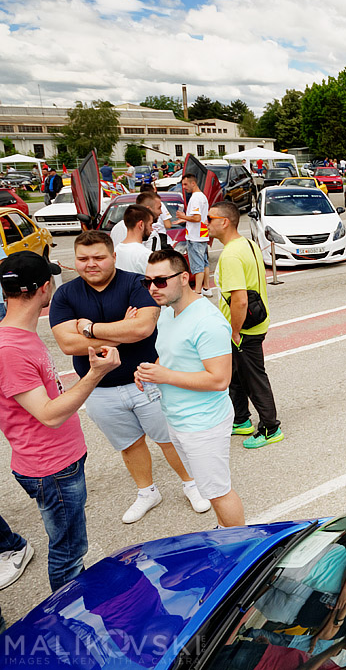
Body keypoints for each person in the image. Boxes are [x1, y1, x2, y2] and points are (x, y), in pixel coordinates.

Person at [49, 230, 207, 523]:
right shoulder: (66, 295)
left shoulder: (136, 283)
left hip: (147, 379)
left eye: (98, 257)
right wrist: (123, 329)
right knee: (129, 444)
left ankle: (192, 484)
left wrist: (88, 329)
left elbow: (143, 328)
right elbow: (68, 344)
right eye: (83, 258)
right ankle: (147, 492)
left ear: (113, 256)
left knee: (169, 438)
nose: (90, 264)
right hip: (98, 387)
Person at [0, 251, 122, 590]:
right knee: (68, 553)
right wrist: (95, 374)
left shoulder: (18, 336)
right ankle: (67, 613)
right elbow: (49, 414)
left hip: (55, 461)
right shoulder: (11, 349)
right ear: (44, 288)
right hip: (51, 467)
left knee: (71, 547)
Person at [136, 249, 245, 528]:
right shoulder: (168, 313)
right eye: (147, 281)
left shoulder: (207, 322)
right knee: (208, 489)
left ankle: (239, 544)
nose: (152, 288)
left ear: (184, 278)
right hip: (178, 418)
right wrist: (151, 373)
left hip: (204, 423)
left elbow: (219, 380)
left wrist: (165, 375)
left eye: (160, 281)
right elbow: (170, 357)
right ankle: (223, 531)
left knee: (218, 492)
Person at [208, 202, 283, 450]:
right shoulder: (248, 244)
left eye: (209, 218)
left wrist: (235, 330)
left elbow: (239, 300)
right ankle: (240, 420)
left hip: (244, 328)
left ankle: (270, 428)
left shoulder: (230, 255)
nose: (205, 224)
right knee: (236, 376)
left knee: (253, 378)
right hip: (254, 321)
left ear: (224, 222)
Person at [175, 174, 211, 296]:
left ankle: (198, 291)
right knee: (204, 262)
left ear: (193, 183)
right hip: (202, 233)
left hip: (195, 236)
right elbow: (199, 217)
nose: (184, 187)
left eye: (185, 184)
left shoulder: (195, 198)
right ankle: (206, 287)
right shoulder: (202, 196)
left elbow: (196, 218)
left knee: (197, 265)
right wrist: (184, 219)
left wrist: (183, 217)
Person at [114, 205, 155, 274]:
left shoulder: (116, 251)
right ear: (141, 225)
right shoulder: (145, 255)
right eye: (150, 225)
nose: (152, 229)